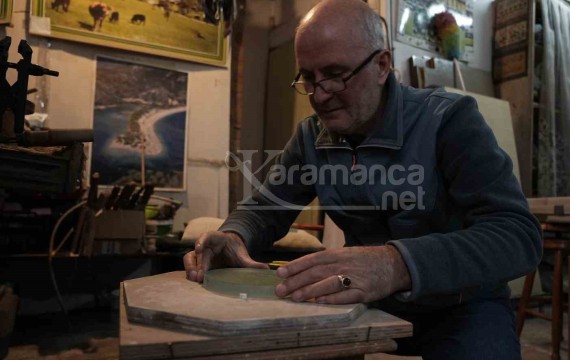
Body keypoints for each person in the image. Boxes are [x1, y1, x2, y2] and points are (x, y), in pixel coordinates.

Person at [184, 0, 542, 358]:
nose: (320, 95)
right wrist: (233, 234)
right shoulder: (312, 137)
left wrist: (396, 264)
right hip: (359, 299)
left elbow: (517, 235)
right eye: (308, 78)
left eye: (336, 74)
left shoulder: (449, 120)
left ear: (382, 65)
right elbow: (265, 207)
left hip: (462, 307)